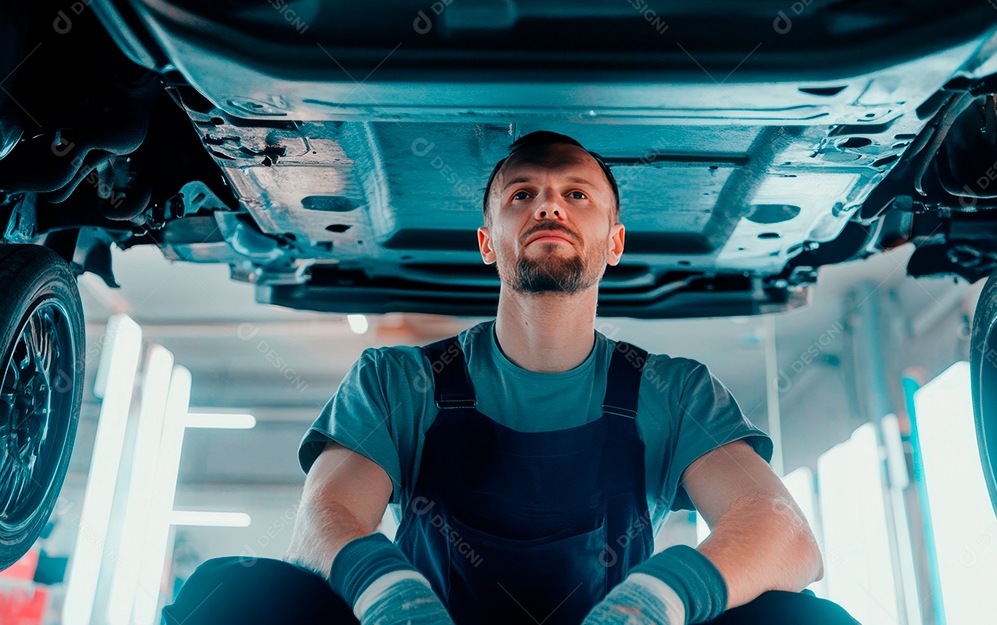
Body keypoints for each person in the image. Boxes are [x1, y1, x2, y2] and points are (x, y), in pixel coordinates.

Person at [163, 131, 860, 625]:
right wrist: (390, 599)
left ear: (614, 243)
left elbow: (784, 535)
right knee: (233, 594)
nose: (549, 206)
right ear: (487, 241)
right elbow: (322, 522)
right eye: (522, 194)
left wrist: (658, 600)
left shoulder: (672, 391)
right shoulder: (401, 380)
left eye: (576, 195)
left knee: (805, 620)